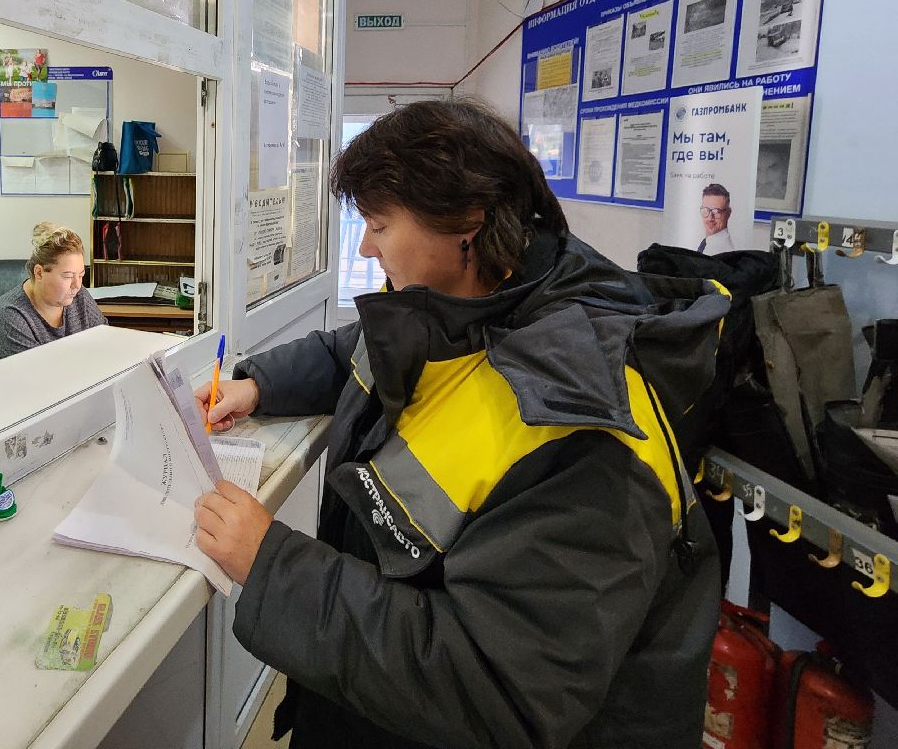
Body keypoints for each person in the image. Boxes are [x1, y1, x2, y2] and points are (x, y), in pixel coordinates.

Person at [192, 100, 727, 749]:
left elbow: (493, 689)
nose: (365, 245)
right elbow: (360, 347)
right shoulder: (463, 304)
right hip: (376, 703)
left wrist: (272, 565)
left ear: (467, 221)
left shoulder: (580, 427)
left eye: (379, 224)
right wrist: (260, 383)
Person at [0, 223, 105, 369]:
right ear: (39, 273)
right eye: (68, 276)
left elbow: (106, 345)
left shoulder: (79, 296)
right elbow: (37, 380)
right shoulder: (8, 318)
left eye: (81, 275)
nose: (77, 285)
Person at [698, 182, 735, 253]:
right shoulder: (707, 243)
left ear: (728, 213)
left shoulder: (724, 252)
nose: (710, 218)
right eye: (706, 210)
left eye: (716, 211)